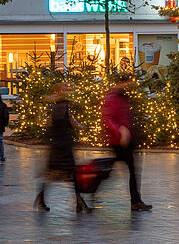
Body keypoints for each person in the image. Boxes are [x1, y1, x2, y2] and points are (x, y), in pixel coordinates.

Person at [36, 83, 90, 213]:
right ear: (60, 91)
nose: (67, 91)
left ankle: (78, 203)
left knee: (55, 175)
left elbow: (49, 123)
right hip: (63, 146)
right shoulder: (63, 107)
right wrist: (83, 127)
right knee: (64, 174)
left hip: (57, 145)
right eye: (65, 89)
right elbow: (73, 122)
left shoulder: (57, 107)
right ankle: (79, 203)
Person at [101, 75, 152, 211]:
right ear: (120, 83)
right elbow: (108, 118)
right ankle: (135, 201)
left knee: (131, 170)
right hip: (118, 141)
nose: (128, 85)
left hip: (126, 140)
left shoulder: (123, 97)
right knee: (117, 170)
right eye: (126, 83)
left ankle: (136, 201)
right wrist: (120, 131)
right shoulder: (112, 98)